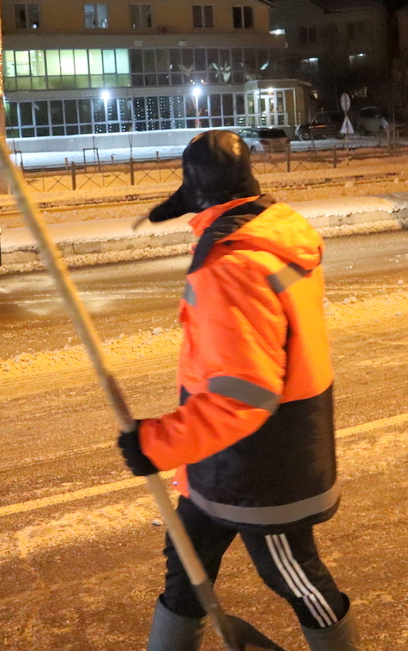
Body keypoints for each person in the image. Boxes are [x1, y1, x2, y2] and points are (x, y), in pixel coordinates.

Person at [118, 130, 361, 651]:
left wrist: (155, 443)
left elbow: (244, 395)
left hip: (261, 463)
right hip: (221, 457)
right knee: (186, 560)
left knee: (292, 575)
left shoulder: (232, 265)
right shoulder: (266, 233)